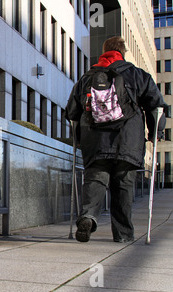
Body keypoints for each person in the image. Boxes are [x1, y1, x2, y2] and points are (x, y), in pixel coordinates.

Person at [66, 36, 167, 243]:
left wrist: (79, 139)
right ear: (122, 53)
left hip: (95, 141)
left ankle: (88, 217)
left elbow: (72, 113)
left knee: (95, 179)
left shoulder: (87, 77)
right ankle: (122, 235)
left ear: (104, 51)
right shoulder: (138, 75)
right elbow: (156, 105)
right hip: (127, 141)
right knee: (123, 186)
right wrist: (156, 132)